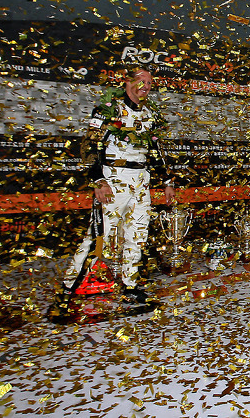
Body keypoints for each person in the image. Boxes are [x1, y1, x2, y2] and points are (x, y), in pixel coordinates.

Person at [55, 66, 175, 308]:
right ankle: (69, 286)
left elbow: (155, 150)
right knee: (100, 234)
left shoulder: (150, 114)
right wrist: (99, 180)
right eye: (142, 82)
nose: (147, 87)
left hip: (141, 178)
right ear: (128, 82)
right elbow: (89, 146)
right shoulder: (108, 110)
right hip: (114, 177)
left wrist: (166, 181)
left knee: (137, 234)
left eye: (150, 83)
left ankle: (130, 285)